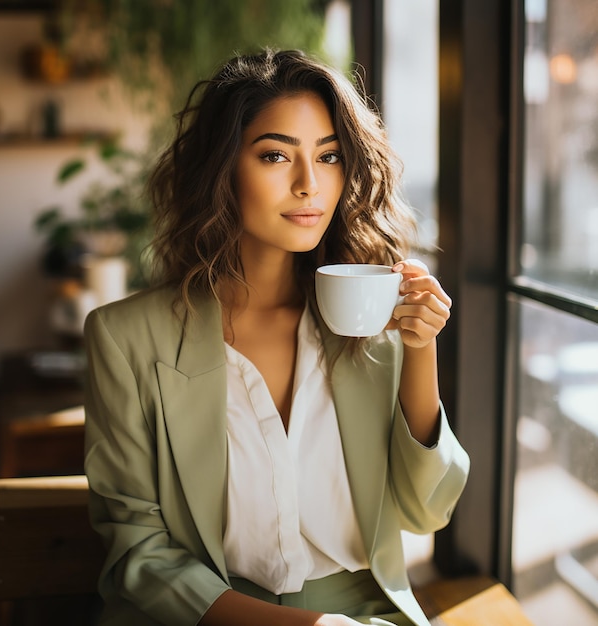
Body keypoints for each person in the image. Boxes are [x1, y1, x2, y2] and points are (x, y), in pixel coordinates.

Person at [83, 48, 470, 626]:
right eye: (274, 156)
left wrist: (419, 348)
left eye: (329, 156)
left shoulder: (370, 323)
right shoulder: (125, 339)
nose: (308, 184)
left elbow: (426, 511)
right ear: (222, 170)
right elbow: (139, 556)